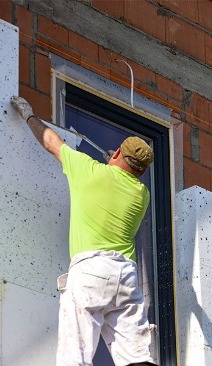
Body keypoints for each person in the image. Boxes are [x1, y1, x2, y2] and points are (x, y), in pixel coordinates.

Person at [11, 96, 158, 366]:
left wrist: (29, 115)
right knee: (136, 356)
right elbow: (120, 179)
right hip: (126, 277)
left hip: (92, 270)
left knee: (74, 355)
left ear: (115, 154)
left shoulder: (88, 171)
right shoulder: (142, 194)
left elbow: (51, 142)